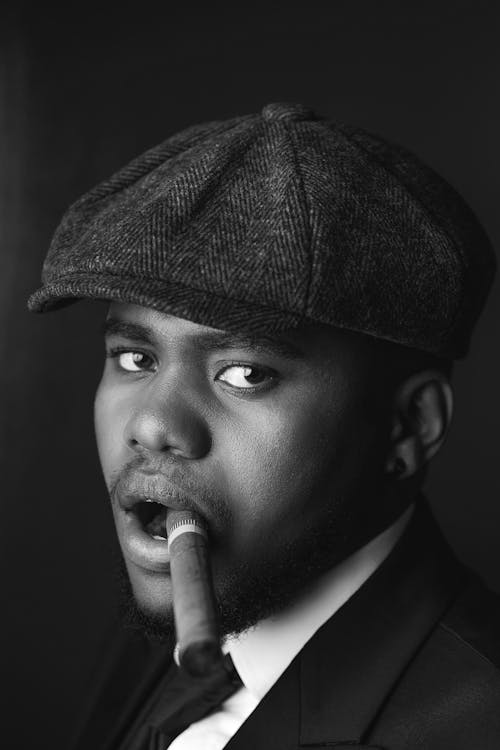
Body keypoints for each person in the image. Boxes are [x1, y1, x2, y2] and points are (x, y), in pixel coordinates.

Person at [28, 102, 500, 750]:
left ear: (408, 426)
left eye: (245, 373)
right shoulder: (164, 633)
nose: (153, 425)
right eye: (136, 358)